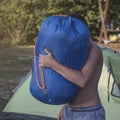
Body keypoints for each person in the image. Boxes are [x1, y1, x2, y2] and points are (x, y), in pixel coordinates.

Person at [39, 18, 105, 120]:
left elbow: (82, 80)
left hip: (89, 112)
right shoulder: (73, 50)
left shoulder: (94, 48)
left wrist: (52, 63)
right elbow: (69, 80)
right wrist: (65, 106)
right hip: (69, 110)